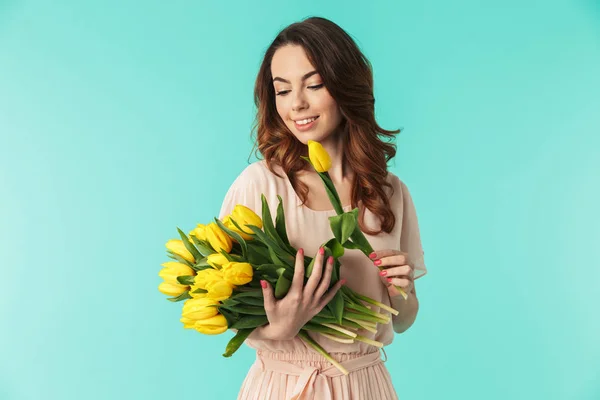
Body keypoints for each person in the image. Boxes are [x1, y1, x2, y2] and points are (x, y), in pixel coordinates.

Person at [218, 16, 428, 400]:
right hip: (284, 387)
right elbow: (224, 308)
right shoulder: (258, 186)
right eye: (282, 91)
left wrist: (402, 292)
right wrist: (280, 327)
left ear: (346, 84)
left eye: (314, 85)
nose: (297, 103)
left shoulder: (389, 192)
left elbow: (403, 321)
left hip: (366, 385)